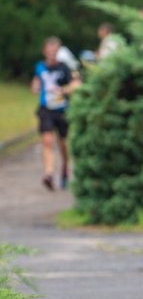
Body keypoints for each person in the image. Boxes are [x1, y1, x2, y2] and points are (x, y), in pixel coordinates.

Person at [31, 36, 81, 190]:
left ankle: (65, 168)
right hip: (46, 109)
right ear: (44, 51)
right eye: (49, 50)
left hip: (62, 110)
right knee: (47, 141)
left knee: (63, 144)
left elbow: (77, 84)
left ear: (58, 52)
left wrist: (63, 90)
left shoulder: (64, 68)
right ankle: (49, 174)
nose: (52, 53)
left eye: (55, 51)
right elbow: (37, 81)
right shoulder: (39, 66)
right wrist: (35, 86)